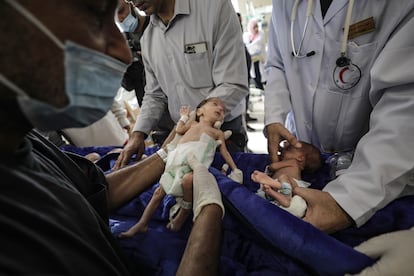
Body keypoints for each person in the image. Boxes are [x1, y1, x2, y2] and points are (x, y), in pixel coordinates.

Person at [0, 0, 225, 275]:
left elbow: (96, 192)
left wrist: (168, 152)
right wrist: (210, 213)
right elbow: (154, 94)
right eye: (95, 14)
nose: (122, 53)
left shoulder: (28, 145)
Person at [264, 0, 414, 234]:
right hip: (308, 147)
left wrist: (351, 199)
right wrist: (274, 117)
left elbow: (407, 105)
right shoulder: (284, 4)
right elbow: (277, 63)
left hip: (374, 165)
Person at [113, 0, 249, 170]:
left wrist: (195, 125)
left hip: (221, 134)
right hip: (182, 136)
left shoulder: (214, 8)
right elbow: (155, 95)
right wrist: (138, 133)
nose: (134, 2)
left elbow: (232, 83)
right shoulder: (149, 38)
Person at [119, 98, 243, 236]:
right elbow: (179, 129)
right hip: (176, 160)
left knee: (188, 180)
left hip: (193, 164)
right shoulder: (192, 124)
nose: (220, 109)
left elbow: (224, 152)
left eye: (223, 110)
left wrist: (235, 168)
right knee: (158, 193)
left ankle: (184, 211)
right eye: (215, 105)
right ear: (200, 111)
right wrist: (184, 117)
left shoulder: (216, 133)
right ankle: (142, 223)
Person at [251, 141, 322, 217]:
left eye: (288, 149)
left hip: (289, 185)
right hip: (283, 189)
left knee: (283, 177)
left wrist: (272, 164)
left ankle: (278, 189)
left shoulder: (293, 162)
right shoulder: (293, 162)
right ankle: (275, 192)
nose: (282, 150)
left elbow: (273, 167)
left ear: (300, 158)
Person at [236, 12, 257, 127]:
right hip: (239, 76)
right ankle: (244, 122)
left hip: (245, 74)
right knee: (241, 103)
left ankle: (246, 117)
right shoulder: (230, 36)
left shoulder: (240, 36)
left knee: (246, 98)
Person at [243, 18, 266, 91]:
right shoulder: (247, 36)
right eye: (254, 27)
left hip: (260, 59)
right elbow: (246, 47)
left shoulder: (261, 33)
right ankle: (259, 89)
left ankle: (263, 88)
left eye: (257, 26)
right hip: (252, 60)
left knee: (261, 75)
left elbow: (257, 45)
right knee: (255, 75)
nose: (256, 29)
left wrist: (249, 47)